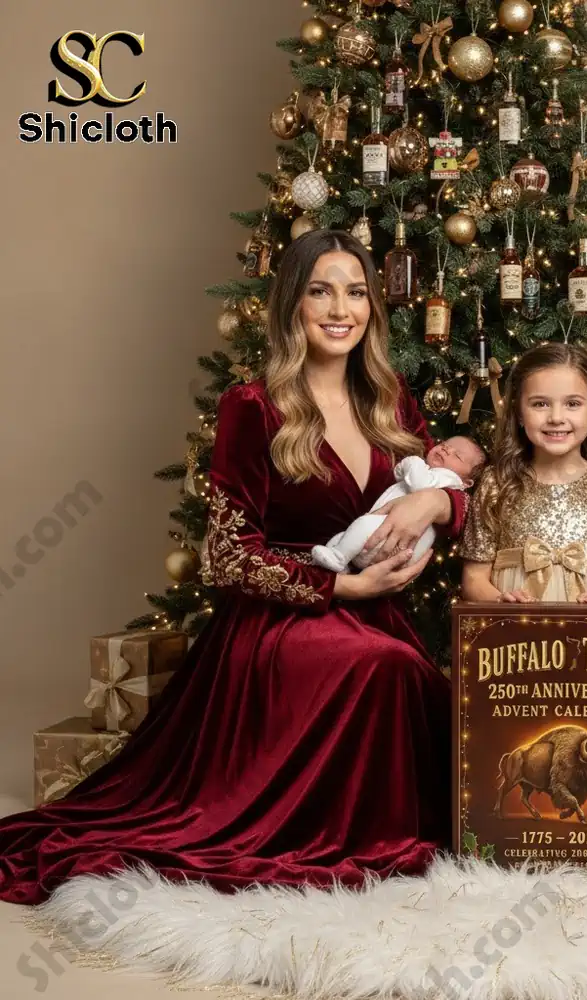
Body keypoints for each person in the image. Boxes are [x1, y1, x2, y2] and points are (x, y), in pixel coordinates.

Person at [0, 229, 468, 905]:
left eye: (356, 292)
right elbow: (227, 556)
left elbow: (460, 498)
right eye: (321, 291)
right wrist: (341, 584)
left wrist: (434, 501)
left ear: (373, 306)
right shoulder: (254, 407)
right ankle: (348, 844)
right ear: (293, 304)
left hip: (377, 615)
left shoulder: (390, 400)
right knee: (382, 668)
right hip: (281, 621)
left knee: (422, 685)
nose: (341, 309)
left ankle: (375, 834)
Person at [460, 342, 587, 604]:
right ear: (519, 413)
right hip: (515, 628)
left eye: (572, 403)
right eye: (540, 404)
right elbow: (473, 578)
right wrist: (501, 601)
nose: (556, 417)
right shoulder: (496, 482)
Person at [312, 436, 485, 573]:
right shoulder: (429, 473)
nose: (446, 450)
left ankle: (339, 556)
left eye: (457, 455)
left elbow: (420, 485)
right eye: (444, 444)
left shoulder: (447, 478)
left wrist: (413, 461)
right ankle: (339, 562)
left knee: (362, 525)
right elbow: (400, 474)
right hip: (387, 543)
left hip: (388, 539)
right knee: (344, 536)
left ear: (466, 483)